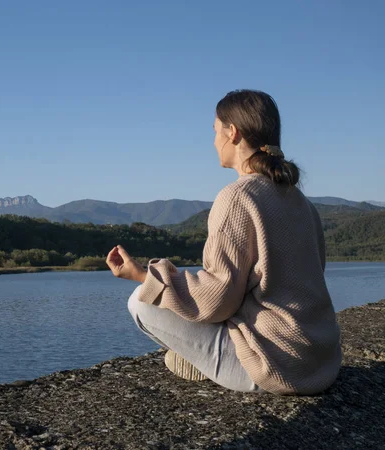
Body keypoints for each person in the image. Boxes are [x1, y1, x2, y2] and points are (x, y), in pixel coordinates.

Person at [106, 89, 341, 395]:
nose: (214, 140)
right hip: (320, 361)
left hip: (274, 366)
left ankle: (203, 360)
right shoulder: (301, 202)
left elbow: (217, 300)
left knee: (140, 301)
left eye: (216, 131)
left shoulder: (237, 197)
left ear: (233, 133)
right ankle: (200, 356)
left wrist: (143, 275)